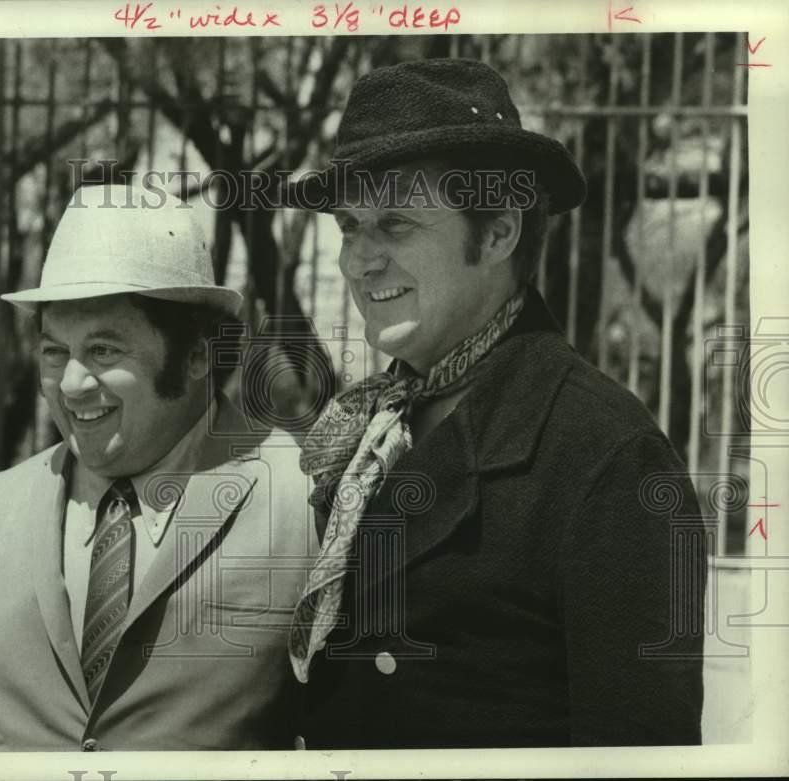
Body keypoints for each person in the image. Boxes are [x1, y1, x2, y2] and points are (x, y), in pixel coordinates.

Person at [285, 58, 706, 748]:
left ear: (499, 232)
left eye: (396, 224)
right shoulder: (368, 429)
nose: (359, 261)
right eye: (350, 226)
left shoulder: (604, 455)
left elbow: (639, 751)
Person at [0, 184, 312, 751]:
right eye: (54, 352)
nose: (71, 384)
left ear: (197, 355)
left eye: (103, 351)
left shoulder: (302, 499)